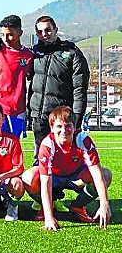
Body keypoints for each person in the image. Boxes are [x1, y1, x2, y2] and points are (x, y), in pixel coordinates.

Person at [22, 106, 112, 231]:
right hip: (54, 178)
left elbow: (97, 173)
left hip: (77, 177)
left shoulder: (82, 139)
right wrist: (49, 217)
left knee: (106, 175)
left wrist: (104, 203)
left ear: (74, 127)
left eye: (68, 126)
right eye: (59, 126)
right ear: (52, 128)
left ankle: (78, 206)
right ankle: (47, 206)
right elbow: (46, 181)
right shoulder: (47, 145)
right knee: (28, 178)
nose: (64, 130)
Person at [27, 15, 90, 155]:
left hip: (62, 118)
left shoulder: (72, 53)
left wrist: (77, 117)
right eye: (39, 31)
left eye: (48, 30)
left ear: (56, 30)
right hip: (39, 118)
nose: (44, 34)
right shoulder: (33, 53)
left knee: (64, 157)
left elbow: (80, 89)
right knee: (41, 158)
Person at [0, 15, 34, 138]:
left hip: (17, 110)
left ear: (20, 33)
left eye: (10, 35)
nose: (5, 39)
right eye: (2, 35)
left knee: (14, 144)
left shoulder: (29, 56)